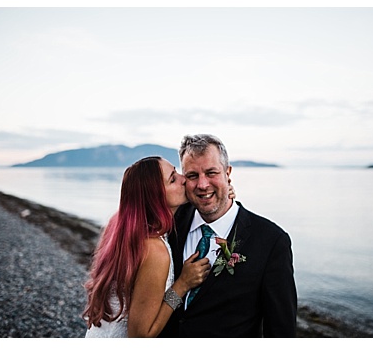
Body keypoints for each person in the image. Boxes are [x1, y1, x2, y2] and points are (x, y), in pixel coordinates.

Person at [158, 134, 297, 337]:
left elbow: (281, 330)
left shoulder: (271, 241)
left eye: (211, 173)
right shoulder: (170, 221)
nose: (202, 185)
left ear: (228, 173)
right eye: (192, 175)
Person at [82, 156, 213, 337]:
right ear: (156, 197)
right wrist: (182, 285)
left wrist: (221, 193)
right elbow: (140, 335)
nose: (184, 179)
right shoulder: (154, 250)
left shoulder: (119, 224)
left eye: (176, 171)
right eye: (173, 179)